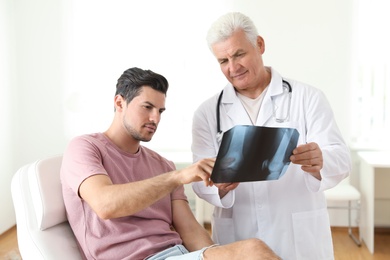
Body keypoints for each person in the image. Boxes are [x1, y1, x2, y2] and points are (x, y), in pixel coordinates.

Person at [60, 67, 280, 260]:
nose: (155, 118)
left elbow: (191, 231)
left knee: (250, 252)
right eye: (147, 107)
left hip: (179, 253)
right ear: (120, 102)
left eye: (160, 111)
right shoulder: (85, 147)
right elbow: (106, 205)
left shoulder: (163, 164)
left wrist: (216, 255)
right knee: (254, 250)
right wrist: (177, 177)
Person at [191, 12, 352, 260]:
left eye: (239, 54)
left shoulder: (307, 98)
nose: (233, 68)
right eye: (223, 61)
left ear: (260, 45)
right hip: (238, 237)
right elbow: (198, 180)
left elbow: (341, 158)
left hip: (298, 236)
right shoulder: (207, 113)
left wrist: (321, 161)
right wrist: (219, 186)